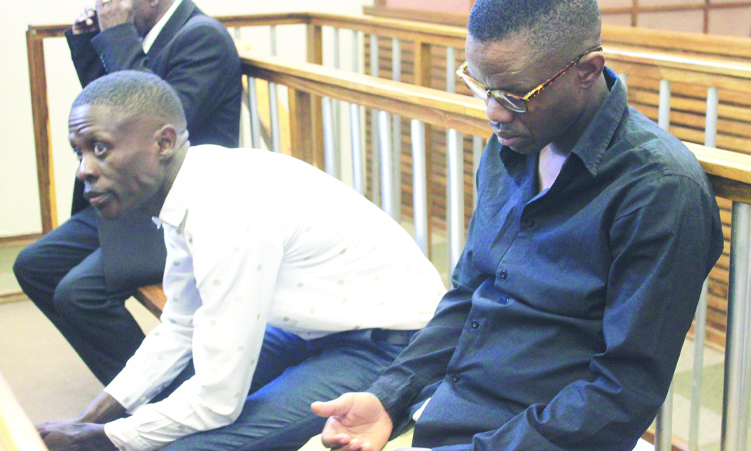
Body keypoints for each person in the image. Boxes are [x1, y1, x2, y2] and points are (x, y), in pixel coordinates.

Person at [309, 1, 725, 450]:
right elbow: (468, 295)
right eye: (481, 86)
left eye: (514, 96)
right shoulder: (512, 144)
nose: (494, 112)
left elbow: (623, 394)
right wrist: (389, 397)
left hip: (538, 434)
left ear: (587, 70)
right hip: (447, 409)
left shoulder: (659, 189)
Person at [35, 71, 447, 451]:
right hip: (310, 329)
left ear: (163, 143)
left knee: (178, 445)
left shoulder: (225, 208)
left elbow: (217, 401)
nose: (84, 170)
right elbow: (180, 325)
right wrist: (87, 421)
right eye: (79, 152)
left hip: (389, 345)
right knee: (162, 410)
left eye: (100, 149)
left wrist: (107, 438)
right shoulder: (189, 185)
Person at [14, 0, 242, 385]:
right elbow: (107, 115)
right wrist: (94, 43)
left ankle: (158, 394)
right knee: (34, 265)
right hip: (137, 200)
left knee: (79, 293)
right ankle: (138, 386)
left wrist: (118, 36)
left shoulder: (203, 38)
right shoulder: (149, 36)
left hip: (182, 211)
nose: (105, 4)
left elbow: (150, 125)